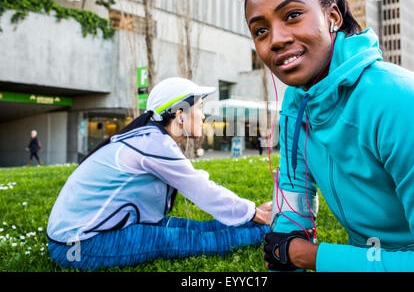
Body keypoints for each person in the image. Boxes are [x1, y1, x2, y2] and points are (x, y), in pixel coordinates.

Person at [245, 0, 414, 272]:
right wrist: (285, 251)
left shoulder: (399, 102)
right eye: (261, 30)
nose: (276, 39)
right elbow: (293, 197)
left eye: (292, 15)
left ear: (333, 17)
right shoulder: (296, 101)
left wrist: (309, 256)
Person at [47, 77, 272, 271]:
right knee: (193, 241)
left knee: (196, 228)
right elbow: (202, 191)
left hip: (81, 238)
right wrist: (256, 214)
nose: (204, 116)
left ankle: (265, 225)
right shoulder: (152, 143)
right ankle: (269, 229)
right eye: (200, 108)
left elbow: (198, 185)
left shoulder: (150, 138)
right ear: (180, 114)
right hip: (77, 247)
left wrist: (250, 212)